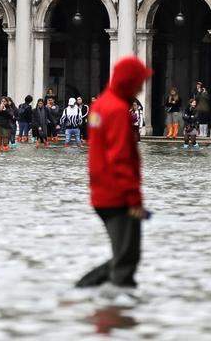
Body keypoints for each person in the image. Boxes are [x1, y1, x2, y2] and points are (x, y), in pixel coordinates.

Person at [76, 56, 153, 289]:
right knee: (126, 261)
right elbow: (121, 158)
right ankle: (117, 312)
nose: (141, 88)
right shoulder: (118, 110)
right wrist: (134, 199)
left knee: (124, 256)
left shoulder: (100, 105)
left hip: (102, 193)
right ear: (128, 81)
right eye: (139, 82)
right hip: (118, 196)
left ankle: (89, 296)